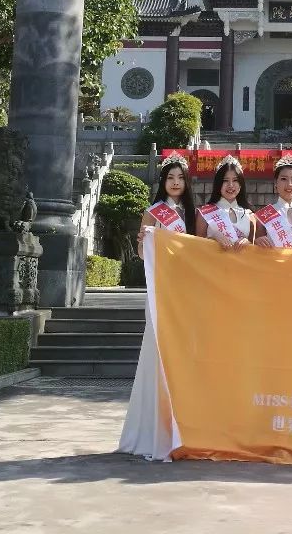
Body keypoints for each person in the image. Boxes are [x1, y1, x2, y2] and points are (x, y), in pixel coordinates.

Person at [118, 152, 196, 461]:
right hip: (162, 288)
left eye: (180, 178)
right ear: (163, 182)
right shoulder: (153, 212)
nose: (175, 183)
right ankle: (155, 428)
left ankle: (184, 426)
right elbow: (141, 252)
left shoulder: (194, 214)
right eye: (170, 178)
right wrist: (144, 241)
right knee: (158, 351)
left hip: (187, 291)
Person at [255, 154, 292, 249]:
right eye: (283, 179)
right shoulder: (265, 214)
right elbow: (256, 248)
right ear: (276, 182)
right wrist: (257, 242)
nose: (289, 184)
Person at [197, 154, 254, 248]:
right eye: (225, 180)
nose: (230, 185)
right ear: (218, 184)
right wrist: (213, 239)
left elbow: (256, 251)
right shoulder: (204, 213)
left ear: (241, 185)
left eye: (235, 180)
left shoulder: (250, 215)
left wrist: (248, 243)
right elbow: (197, 249)